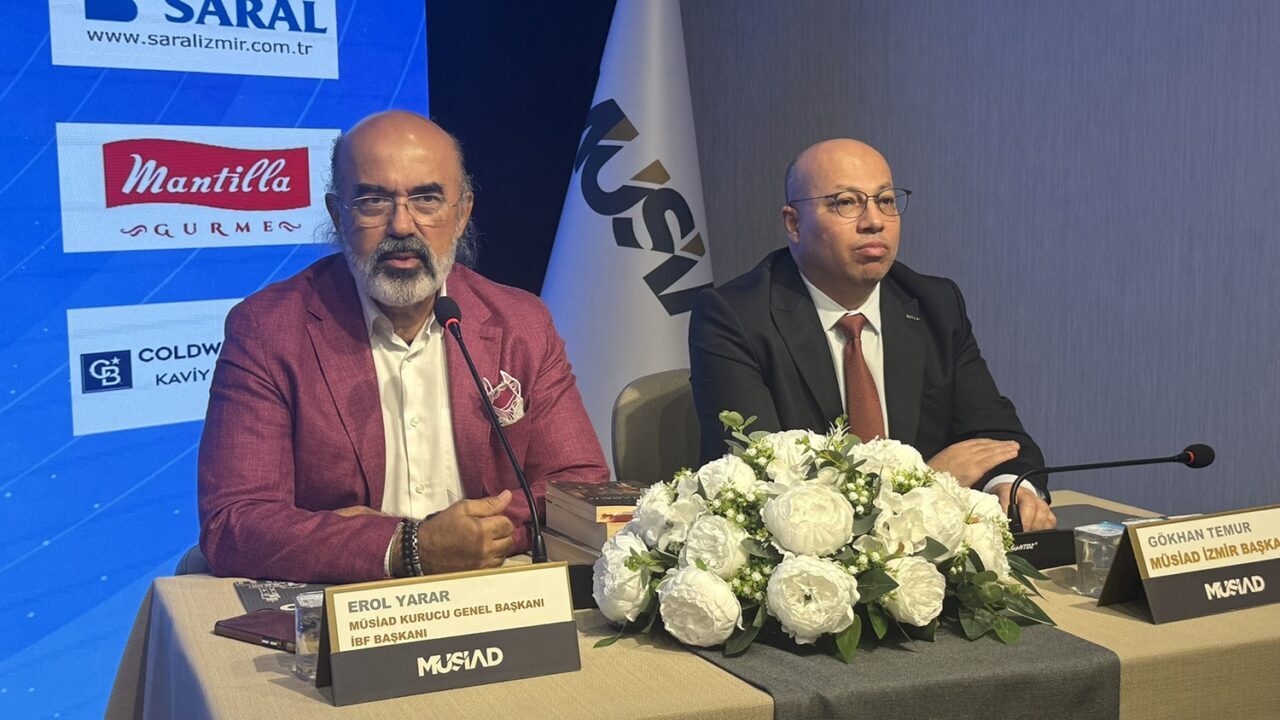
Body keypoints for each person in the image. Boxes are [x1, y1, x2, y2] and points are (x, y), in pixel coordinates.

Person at [198, 111, 609, 583]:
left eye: (426, 199)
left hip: (493, 591)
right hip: (352, 603)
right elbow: (235, 523)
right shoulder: (268, 329)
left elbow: (580, 485)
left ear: (461, 214)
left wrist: (467, 540)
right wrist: (407, 546)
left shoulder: (521, 322)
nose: (401, 225)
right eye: (373, 201)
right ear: (338, 215)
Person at [689, 138, 1056, 530]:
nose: (874, 221)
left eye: (886, 201)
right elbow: (759, 485)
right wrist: (925, 481)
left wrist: (1009, 486)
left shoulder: (934, 304)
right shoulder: (734, 317)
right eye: (846, 202)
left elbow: (999, 438)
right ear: (794, 224)